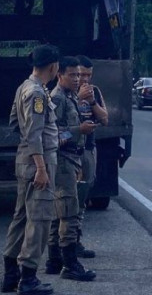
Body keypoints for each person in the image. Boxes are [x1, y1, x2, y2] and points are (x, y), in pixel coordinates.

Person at [1, 44, 61, 295]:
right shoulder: (37, 93)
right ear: (53, 66)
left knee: (21, 216)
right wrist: (41, 167)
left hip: (24, 158)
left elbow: (15, 122)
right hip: (39, 161)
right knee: (40, 220)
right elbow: (34, 133)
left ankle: (10, 273)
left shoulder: (23, 87)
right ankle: (28, 278)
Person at [44, 57, 97, 281]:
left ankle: (54, 260)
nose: (77, 79)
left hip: (71, 160)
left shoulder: (70, 97)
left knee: (60, 212)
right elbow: (53, 136)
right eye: (72, 75)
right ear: (60, 75)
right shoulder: (57, 98)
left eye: (79, 75)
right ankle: (69, 263)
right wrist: (79, 130)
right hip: (62, 161)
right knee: (69, 212)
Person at [75, 55, 108, 259]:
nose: (85, 79)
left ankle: (76, 239)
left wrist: (92, 101)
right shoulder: (65, 91)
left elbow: (105, 118)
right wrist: (78, 98)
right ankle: (61, 243)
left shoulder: (94, 91)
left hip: (88, 148)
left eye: (88, 75)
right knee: (67, 199)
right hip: (69, 150)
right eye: (81, 75)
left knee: (82, 195)